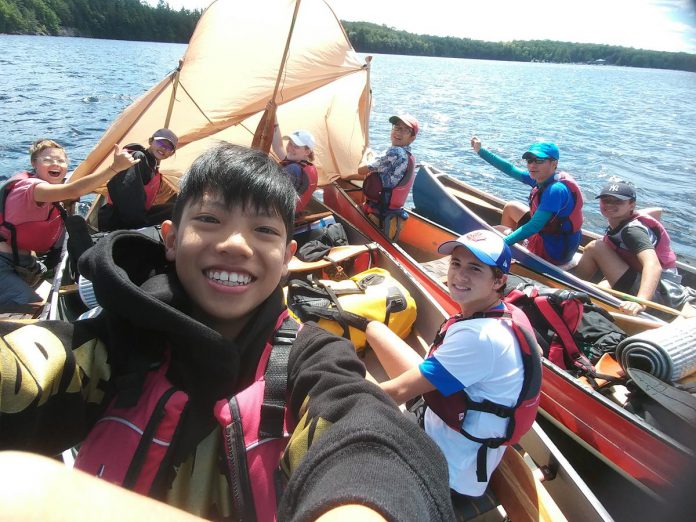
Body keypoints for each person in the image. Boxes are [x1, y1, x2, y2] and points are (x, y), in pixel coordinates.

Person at [0, 143, 454, 521]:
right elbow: (24, 366)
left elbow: (374, 439)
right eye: (210, 221)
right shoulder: (112, 343)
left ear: (287, 257)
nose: (236, 245)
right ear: (171, 239)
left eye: (263, 230)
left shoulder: (311, 359)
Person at [365, 229, 541, 502]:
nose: (460, 275)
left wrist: (327, 396)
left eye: (475, 269)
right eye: (456, 264)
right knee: (374, 328)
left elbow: (394, 394)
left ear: (498, 281)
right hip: (441, 418)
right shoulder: (502, 313)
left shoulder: (481, 338)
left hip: (448, 471)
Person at [0, 139, 137, 309]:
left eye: (60, 160)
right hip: (3, 263)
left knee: (52, 293)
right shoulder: (31, 188)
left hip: (24, 262)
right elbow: (73, 190)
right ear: (34, 163)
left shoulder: (52, 191)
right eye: (47, 160)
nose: (55, 164)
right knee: (36, 307)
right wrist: (114, 168)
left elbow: (72, 191)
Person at [572, 179, 680, 315]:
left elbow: (653, 265)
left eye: (618, 201)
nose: (610, 204)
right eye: (606, 200)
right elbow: (657, 211)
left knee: (595, 247)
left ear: (631, 205)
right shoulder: (624, 220)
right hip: (647, 279)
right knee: (600, 289)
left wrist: (640, 302)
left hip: (661, 293)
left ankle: (571, 288)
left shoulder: (632, 231)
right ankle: (578, 288)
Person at [470, 137, 583, 266]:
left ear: (554, 163)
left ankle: (503, 259)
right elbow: (509, 169)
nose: (532, 165)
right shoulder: (542, 178)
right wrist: (480, 151)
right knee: (511, 207)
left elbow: (533, 226)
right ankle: (508, 254)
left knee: (498, 231)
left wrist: (501, 243)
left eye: (539, 161)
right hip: (557, 239)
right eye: (529, 160)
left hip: (553, 251)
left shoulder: (555, 190)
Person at [98, 128, 178, 231]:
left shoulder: (153, 166)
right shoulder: (138, 157)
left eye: (169, 147)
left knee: (176, 209)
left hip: (138, 216)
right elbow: (128, 194)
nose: (164, 148)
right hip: (118, 220)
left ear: (171, 153)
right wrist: (141, 226)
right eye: (161, 142)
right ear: (150, 141)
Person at [352, 114, 418, 238]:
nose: (399, 132)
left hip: (379, 213)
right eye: (397, 128)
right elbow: (383, 163)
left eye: (405, 130)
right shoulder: (407, 154)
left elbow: (361, 170)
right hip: (388, 213)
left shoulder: (395, 152)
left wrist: (365, 154)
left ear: (412, 137)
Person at [270, 116, 318, 215]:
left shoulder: (294, 169)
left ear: (307, 151)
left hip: (278, 214)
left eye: (295, 146)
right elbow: (277, 147)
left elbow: (273, 195)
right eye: (290, 143)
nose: (290, 148)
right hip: (287, 213)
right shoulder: (301, 165)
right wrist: (274, 120)